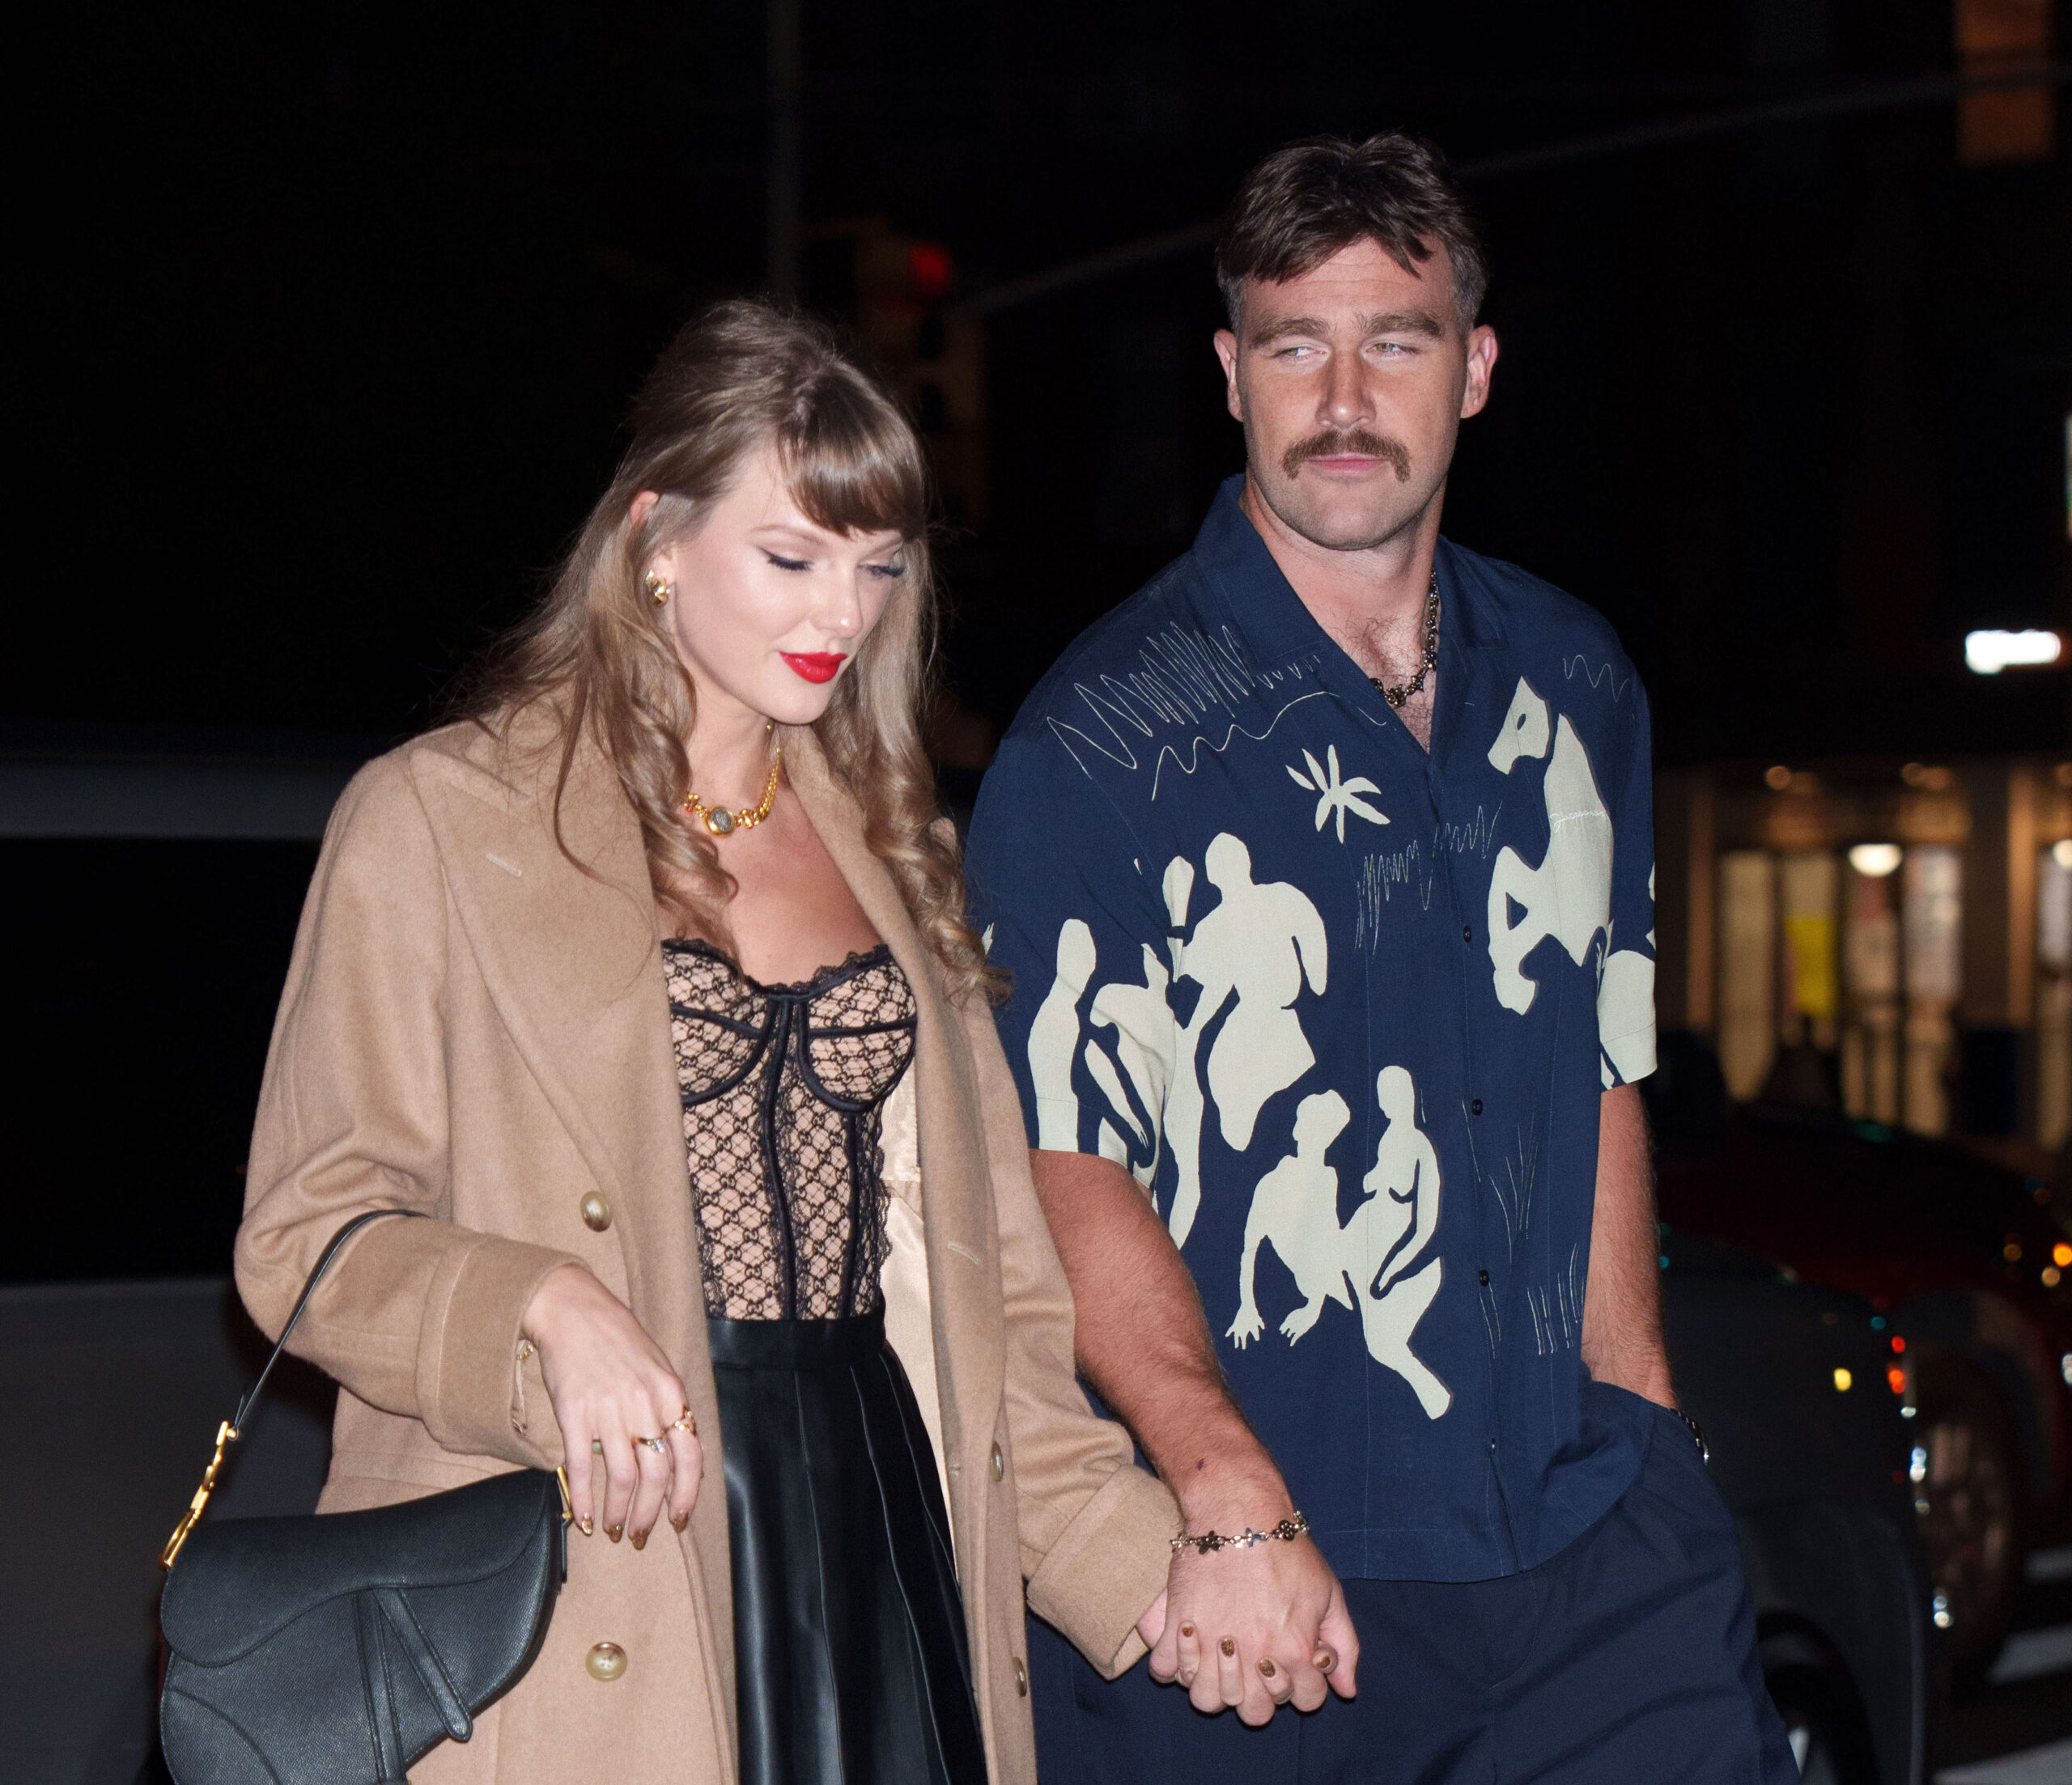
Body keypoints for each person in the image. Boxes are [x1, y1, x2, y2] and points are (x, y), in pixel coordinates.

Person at [233, 299, 1180, 1785]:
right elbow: (306, 1237)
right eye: (793, 558)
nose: (843, 614)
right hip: (605, 1549)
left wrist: (1149, 1567)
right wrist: (540, 1305)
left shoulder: (892, 845)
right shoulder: (440, 821)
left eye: (877, 565)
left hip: (880, 1520)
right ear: (656, 540)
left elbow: (995, 1295)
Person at [965, 134, 1798, 1783]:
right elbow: (1055, 1157)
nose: (1342, 399)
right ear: (1229, 375)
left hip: (1588, 1541)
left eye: (1394, 342)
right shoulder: (1099, 740)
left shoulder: (1574, 680)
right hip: (1269, 1575)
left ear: (1474, 370)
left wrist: (1643, 1417)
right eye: (1296, 347)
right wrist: (1222, 1486)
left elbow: (1596, 1057)